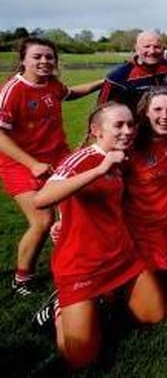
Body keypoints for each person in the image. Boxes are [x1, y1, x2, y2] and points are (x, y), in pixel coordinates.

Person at [33, 102, 167, 369]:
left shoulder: (121, 159)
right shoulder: (84, 159)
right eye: (119, 125)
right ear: (96, 130)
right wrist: (99, 170)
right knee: (81, 359)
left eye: (131, 124)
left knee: (157, 316)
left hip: (121, 256)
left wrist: (63, 218)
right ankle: (59, 307)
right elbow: (42, 198)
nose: (128, 130)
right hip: (81, 264)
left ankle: (106, 296)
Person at [0, 38, 103, 295]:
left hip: (57, 159)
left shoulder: (52, 84)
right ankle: (22, 278)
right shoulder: (13, 90)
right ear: (23, 60)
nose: (44, 61)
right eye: (37, 57)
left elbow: (71, 93)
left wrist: (104, 82)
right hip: (21, 164)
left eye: (49, 57)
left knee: (77, 209)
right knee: (43, 220)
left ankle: (76, 262)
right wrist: (32, 163)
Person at [124, 88, 167, 272]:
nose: (165, 116)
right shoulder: (129, 145)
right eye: (158, 109)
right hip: (143, 229)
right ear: (145, 111)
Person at [97, 30, 167, 112]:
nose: (152, 51)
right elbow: (102, 112)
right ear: (137, 49)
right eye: (147, 46)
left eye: (157, 47)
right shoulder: (116, 78)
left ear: (163, 49)